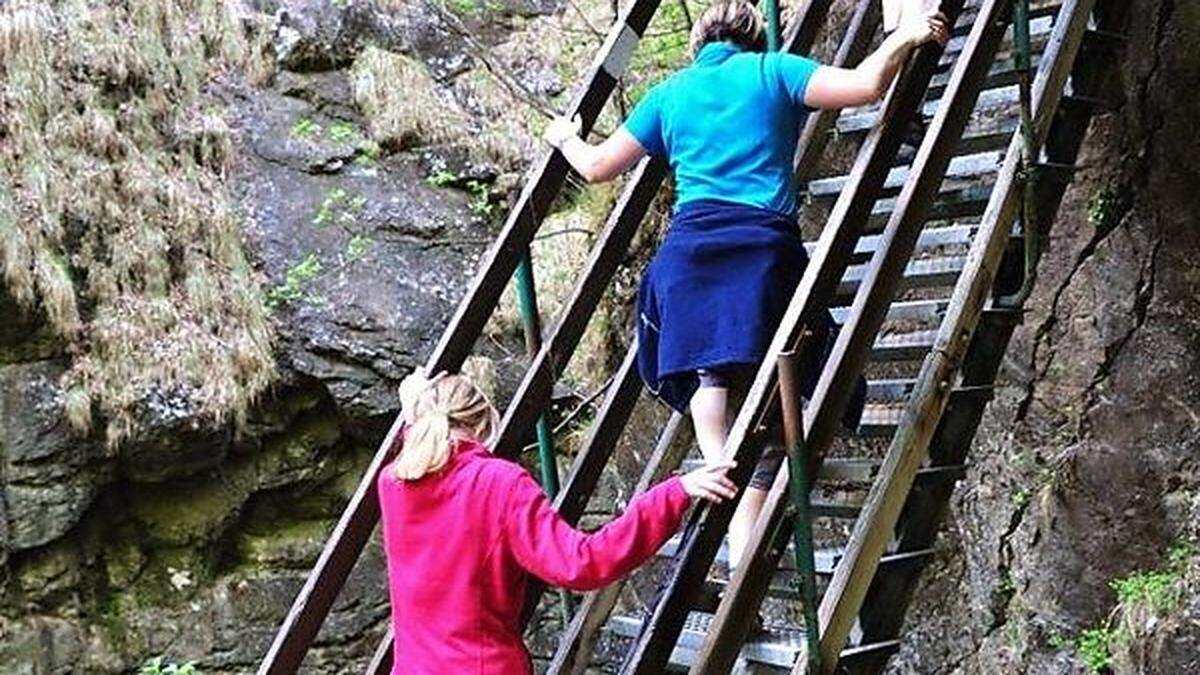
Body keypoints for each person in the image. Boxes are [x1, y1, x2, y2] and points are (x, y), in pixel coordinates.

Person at [542, 0, 950, 568]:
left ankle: (718, 468)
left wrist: (565, 136)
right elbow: (865, 86)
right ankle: (748, 492)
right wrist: (903, 37)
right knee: (782, 374)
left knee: (710, 367)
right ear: (753, 36)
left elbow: (595, 167)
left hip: (688, 254)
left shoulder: (670, 93)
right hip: (760, 248)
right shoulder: (773, 71)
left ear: (698, 44)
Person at [378, 370, 738, 675]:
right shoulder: (499, 482)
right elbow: (582, 563)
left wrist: (415, 410)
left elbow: (423, 440)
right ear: (485, 422)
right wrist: (672, 494)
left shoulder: (393, 484)